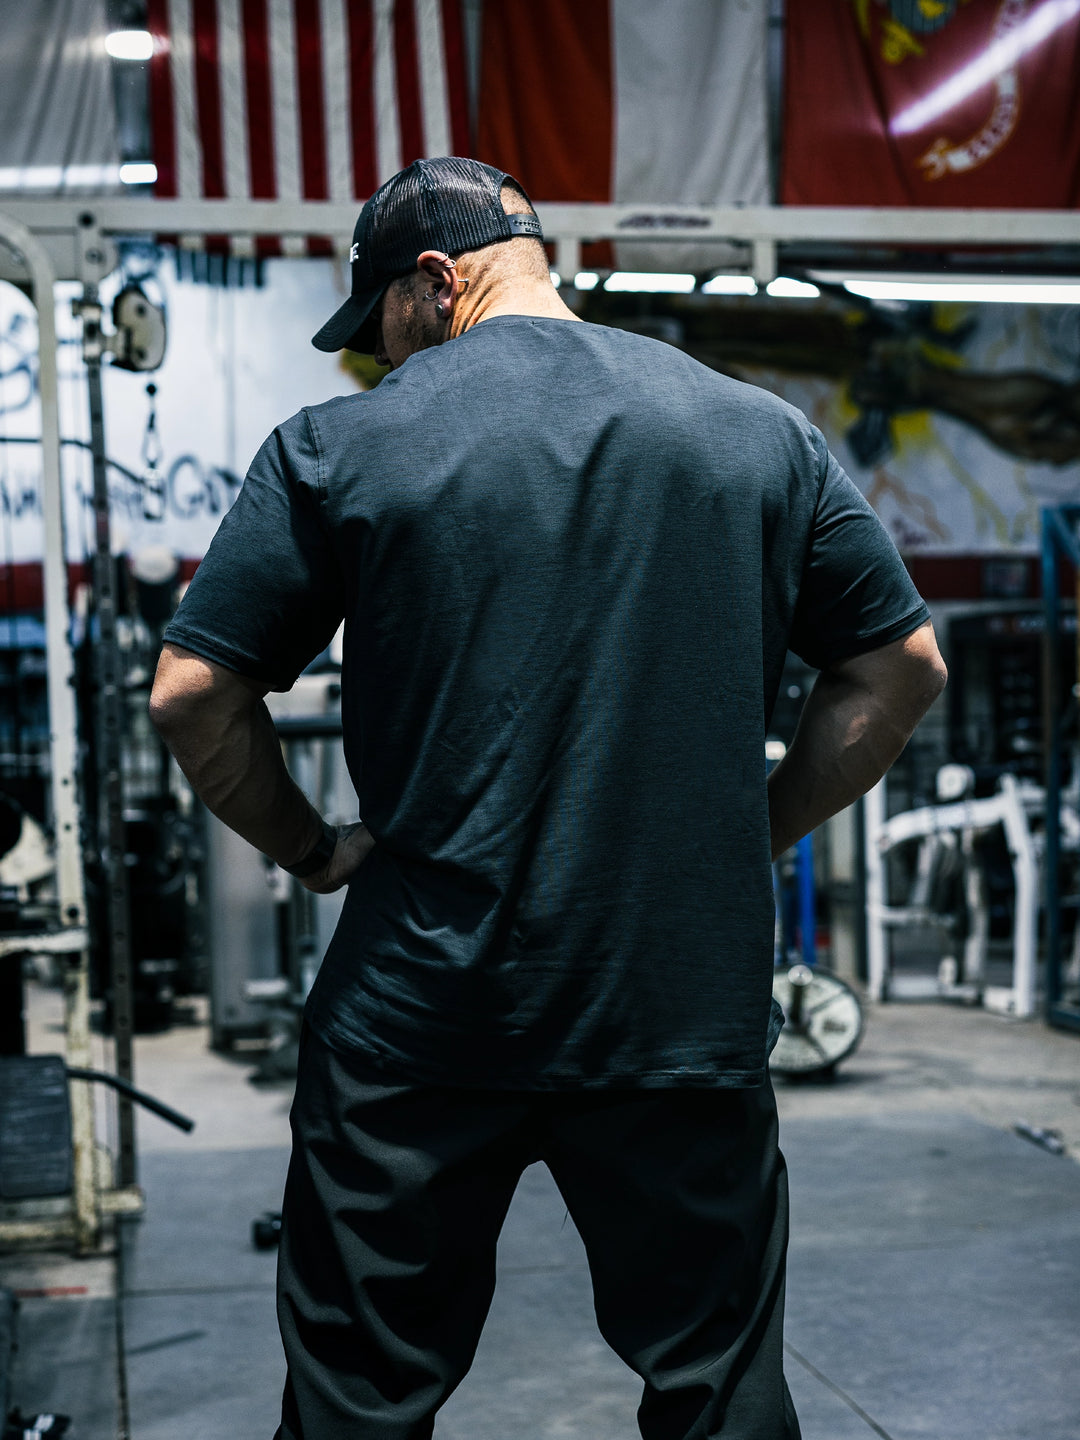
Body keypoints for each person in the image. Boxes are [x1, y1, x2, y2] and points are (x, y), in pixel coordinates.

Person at [150, 156, 947, 1440]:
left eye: (382, 334)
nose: (380, 366)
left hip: (421, 1007)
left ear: (434, 279)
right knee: (719, 1393)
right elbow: (901, 667)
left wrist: (311, 850)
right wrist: (757, 835)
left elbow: (191, 693)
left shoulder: (338, 447)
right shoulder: (757, 432)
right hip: (675, 1006)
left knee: (359, 1401)